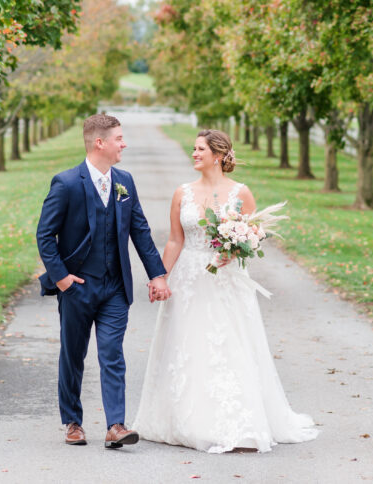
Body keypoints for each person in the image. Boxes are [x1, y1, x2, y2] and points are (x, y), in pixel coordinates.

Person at [132, 129, 318, 453]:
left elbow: (252, 237)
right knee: (186, 344)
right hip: (189, 278)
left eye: (199, 149)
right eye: (193, 148)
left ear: (217, 155)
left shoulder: (241, 193)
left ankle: (231, 421)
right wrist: (159, 277)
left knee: (226, 345)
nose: (194, 153)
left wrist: (233, 250)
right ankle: (183, 419)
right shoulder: (182, 193)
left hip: (225, 280)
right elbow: (176, 239)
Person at [36, 113, 171, 449]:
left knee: (112, 353)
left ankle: (116, 425)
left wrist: (157, 273)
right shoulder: (66, 183)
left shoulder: (125, 180)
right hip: (77, 286)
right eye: (119, 138)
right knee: (73, 355)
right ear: (100, 143)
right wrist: (62, 279)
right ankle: (72, 422)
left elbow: (139, 230)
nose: (124, 143)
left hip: (115, 287)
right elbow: (44, 235)